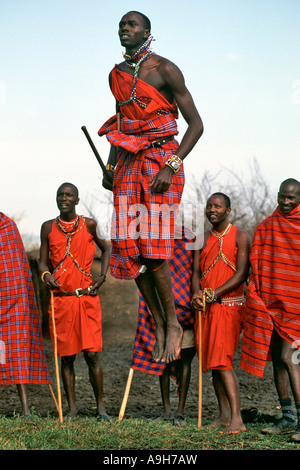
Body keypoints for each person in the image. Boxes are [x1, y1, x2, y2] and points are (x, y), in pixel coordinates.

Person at [98, 11, 203, 365]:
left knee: (154, 247)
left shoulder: (165, 69)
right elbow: (120, 122)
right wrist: (111, 166)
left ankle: (173, 324)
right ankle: (159, 322)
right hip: (128, 164)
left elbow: (197, 125)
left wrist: (172, 167)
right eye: (121, 25)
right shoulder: (118, 75)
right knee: (128, 249)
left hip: (161, 162)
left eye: (131, 25)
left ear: (147, 31)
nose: (124, 29)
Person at [38, 183, 110, 420]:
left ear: (77, 201)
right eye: (60, 195)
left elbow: (106, 248)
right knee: (66, 357)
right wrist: (46, 275)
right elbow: (42, 262)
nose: (63, 198)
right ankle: (71, 410)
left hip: (86, 299)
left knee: (91, 355)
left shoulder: (88, 224)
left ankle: (100, 409)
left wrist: (101, 276)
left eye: (68, 195)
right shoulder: (48, 227)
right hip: (61, 301)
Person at [240, 178, 300, 443]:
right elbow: (257, 266)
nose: (286, 203)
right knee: (277, 359)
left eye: (292, 198)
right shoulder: (265, 228)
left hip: (296, 306)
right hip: (271, 305)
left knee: (289, 358)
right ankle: (288, 417)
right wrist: (256, 296)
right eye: (282, 197)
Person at [191, 193, 251, 434]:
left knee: (223, 362)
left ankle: (237, 419)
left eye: (217, 206)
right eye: (209, 206)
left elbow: (241, 274)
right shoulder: (201, 239)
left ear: (228, 210)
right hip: (206, 308)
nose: (212, 210)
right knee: (213, 363)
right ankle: (224, 415)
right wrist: (197, 294)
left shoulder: (241, 236)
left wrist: (212, 293)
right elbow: (195, 272)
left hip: (229, 306)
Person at [131, 226, 196, 425]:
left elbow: (195, 271)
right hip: (161, 309)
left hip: (186, 309)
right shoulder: (151, 240)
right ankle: (166, 409)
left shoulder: (190, 239)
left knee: (185, 359)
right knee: (165, 361)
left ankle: (180, 411)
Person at [0, 212, 51, 417]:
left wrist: (16, 299)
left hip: (13, 302)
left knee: (17, 352)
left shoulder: (7, 227)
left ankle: (26, 410)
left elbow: (16, 270)